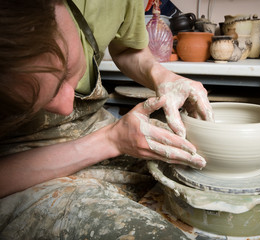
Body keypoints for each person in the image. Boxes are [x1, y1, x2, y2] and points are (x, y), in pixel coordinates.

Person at [0, 0, 213, 239]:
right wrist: (110, 141)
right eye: (35, 101)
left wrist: (163, 76)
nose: (66, 106)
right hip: (17, 158)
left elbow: (128, 49)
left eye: (67, 74)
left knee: (192, 155)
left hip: (93, 126)